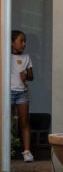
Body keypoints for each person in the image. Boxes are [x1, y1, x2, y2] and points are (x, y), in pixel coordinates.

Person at [10, 30, 34, 162]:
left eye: (25, 41)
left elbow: (32, 76)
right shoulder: (5, 56)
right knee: (5, 122)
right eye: (21, 41)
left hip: (22, 93)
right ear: (12, 43)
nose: (24, 44)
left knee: (24, 122)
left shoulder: (26, 57)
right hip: (7, 92)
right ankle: (7, 150)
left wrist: (26, 76)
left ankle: (27, 152)